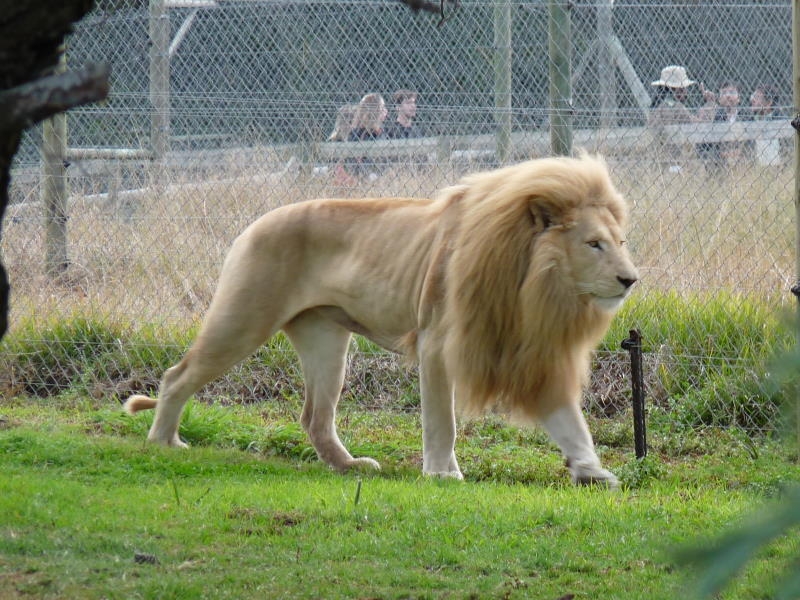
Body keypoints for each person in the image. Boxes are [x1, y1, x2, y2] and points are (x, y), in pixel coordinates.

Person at [647, 65, 715, 171]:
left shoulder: (656, 107)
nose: (686, 93)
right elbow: (699, 127)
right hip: (676, 161)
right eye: (684, 89)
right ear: (676, 90)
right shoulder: (676, 107)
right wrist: (710, 103)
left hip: (659, 161)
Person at [696, 81, 741, 172]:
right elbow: (705, 144)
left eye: (732, 92)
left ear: (738, 98)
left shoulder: (745, 116)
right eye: (724, 93)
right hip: (720, 163)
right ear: (719, 99)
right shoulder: (716, 117)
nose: (728, 96)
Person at [342, 93, 388, 181]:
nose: (386, 111)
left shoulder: (382, 131)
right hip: (363, 176)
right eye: (382, 108)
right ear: (374, 111)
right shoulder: (356, 133)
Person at [748, 84, 781, 166]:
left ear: (769, 102)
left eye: (757, 97)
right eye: (753, 96)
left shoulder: (780, 120)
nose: (751, 99)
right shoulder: (750, 120)